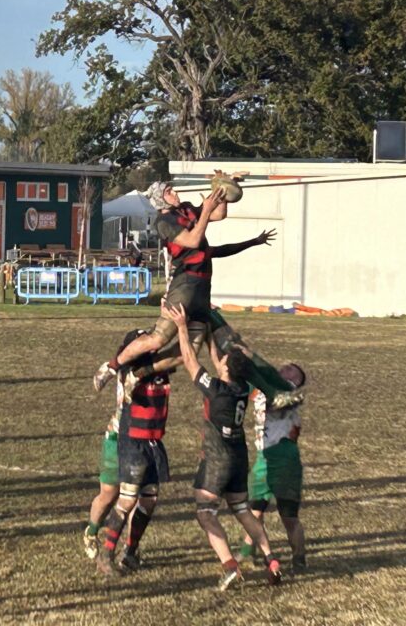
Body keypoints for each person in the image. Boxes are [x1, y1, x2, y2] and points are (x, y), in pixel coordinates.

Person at [167, 302, 303, 589]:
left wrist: (182, 327)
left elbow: (190, 360)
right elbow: (218, 360)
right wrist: (207, 333)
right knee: (241, 509)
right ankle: (271, 559)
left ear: (226, 368)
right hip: (240, 453)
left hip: (219, 457)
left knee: (205, 512)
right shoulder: (242, 387)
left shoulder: (216, 391)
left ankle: (230, 566)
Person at [97, 179, 266, 381]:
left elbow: (219, 213)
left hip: (203, 287)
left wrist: (223, 187)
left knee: (190, 351)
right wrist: (205, 211)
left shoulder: (185, 209)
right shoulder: (164, 222)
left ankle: (138, 373)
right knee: (158, 339)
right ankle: (111, 367)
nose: (174, 193)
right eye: (169, 191)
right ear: (161, 200)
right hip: (185, 284)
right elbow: (193, 240)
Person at [93, 329, 169, 576]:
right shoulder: (132, 372)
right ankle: (105, 552)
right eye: (142, 342)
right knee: (123, 499)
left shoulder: (156, 367)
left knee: (149, 500)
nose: (150, 344)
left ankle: (131, 551)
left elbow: (176, 356)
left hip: (152, 442)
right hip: (130, 439)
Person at [241, 363, 307, 572]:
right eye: (285, 367)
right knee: (255, 510)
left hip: (284, 457)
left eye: (291, 370)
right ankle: (246, 553)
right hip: (263, 457)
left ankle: (299, 559)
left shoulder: (288, 391)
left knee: (288, 516)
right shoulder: (264, 386)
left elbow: (274, 400)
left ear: (296, 381)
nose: (284, 368)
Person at [82, 340, 129, 560]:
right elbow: (97, 382)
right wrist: (112, 366)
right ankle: (91, 532)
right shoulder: (125, 368)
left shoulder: (155, 369)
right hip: (117, 437)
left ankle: (128, 548)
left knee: (135, 498)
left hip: (144, 440)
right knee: (109, 493)